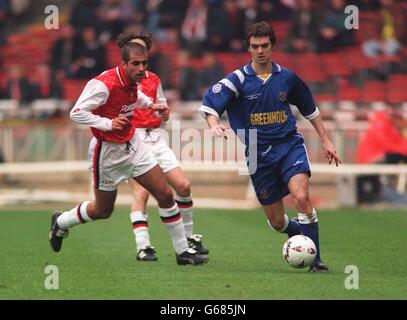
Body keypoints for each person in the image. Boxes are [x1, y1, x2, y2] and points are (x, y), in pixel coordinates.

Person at [49, 39, 208, 266]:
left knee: (164, 193)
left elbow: (134, 98)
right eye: (136, 63)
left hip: (133, 144)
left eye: (144, 63)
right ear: (123, 63)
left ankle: (183, 252)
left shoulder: (135, 80)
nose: (142, 68)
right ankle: (62, 221)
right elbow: (76, 113)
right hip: (107, 152)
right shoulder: (103, 84)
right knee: (102, 210)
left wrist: (150, 106)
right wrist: (108, 123)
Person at [199, 21, 341, 272]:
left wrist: (326, 140)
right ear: (249, 48)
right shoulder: (237, 80)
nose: (260, 50)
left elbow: (311, 110)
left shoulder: (287, 78)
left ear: (273, 46)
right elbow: (212, 105)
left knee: (301, 196)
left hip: (289, 145)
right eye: (255, 46)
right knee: (277, 222)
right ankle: (299, 234)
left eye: (265, 45)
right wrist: (213, 125)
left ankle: (316, 259)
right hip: (256, 153)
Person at [116, 31, 209, 261]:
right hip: (133, 138)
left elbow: (163, 112)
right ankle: (143, 246)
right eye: (134, 51)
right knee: (142, 192)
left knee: (184, 186)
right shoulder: (117, 80)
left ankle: (188, 239)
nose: (139, 55)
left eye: (142, 51)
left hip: (155, 138)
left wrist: (164, 115)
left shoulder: (153, 79)